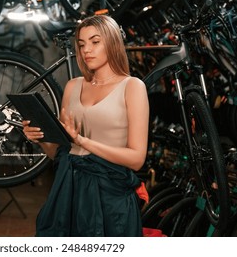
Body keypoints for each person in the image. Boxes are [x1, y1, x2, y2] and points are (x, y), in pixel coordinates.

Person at [22, 15, 149, 237]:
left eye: (95, 42)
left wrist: (82, 140)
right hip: (68, 191)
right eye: (81, 44)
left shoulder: (132, 86)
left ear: (111, 42)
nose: (86, 50)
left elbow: (136, 159)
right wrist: (40, 137)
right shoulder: (72, 86)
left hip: (109, 195)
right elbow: (58, 153)